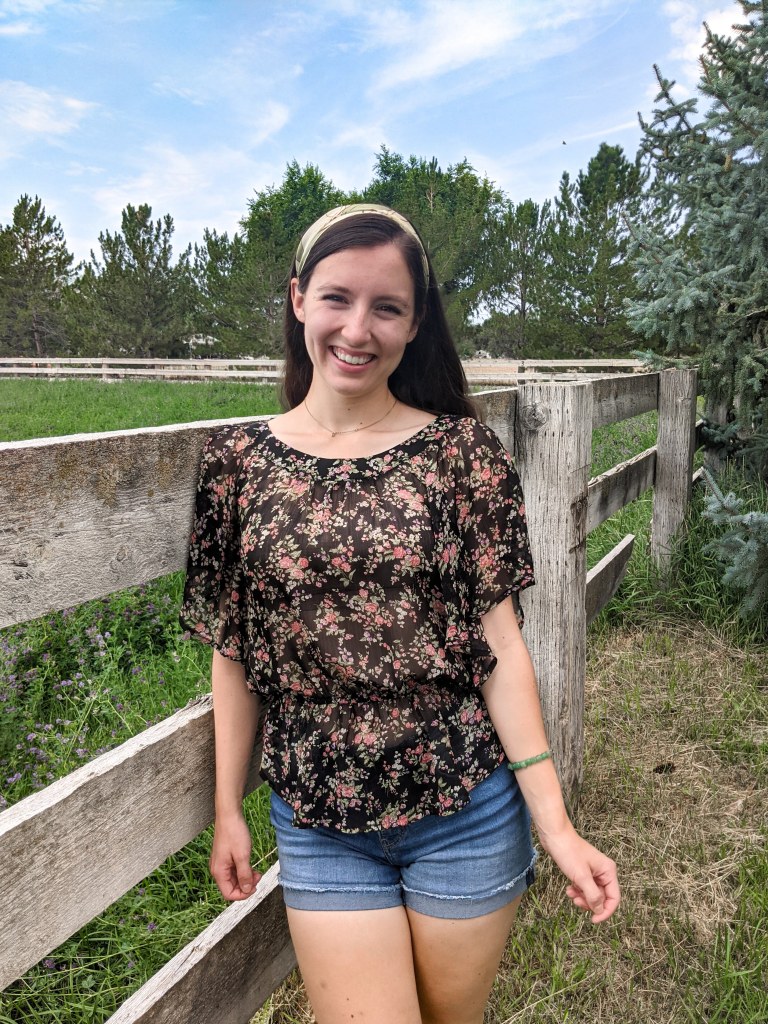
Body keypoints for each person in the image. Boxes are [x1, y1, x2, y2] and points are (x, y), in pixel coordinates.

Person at [181, 203, 619, 1024]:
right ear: (298, 299)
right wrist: (227, 807)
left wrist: (554, 824)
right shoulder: (236, 464)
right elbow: (234, 653)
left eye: (387, 307)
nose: (358, 328)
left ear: (415, 325)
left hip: (466, 813)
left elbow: (500, 645)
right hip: (319, 822)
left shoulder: (460, 454)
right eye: (338, 298)